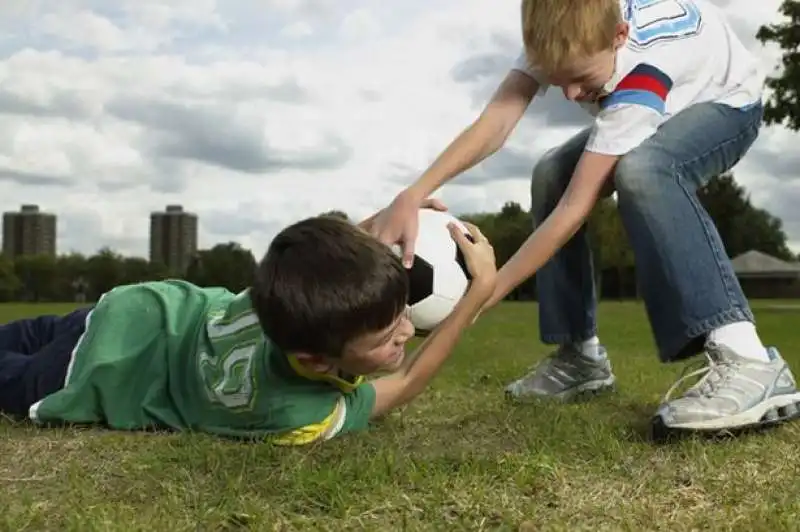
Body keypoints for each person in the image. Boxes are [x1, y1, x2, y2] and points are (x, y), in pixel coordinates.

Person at [369, 0, 800, 436]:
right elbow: (496, 122)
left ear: (618, 37)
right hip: (667, 95)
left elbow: (573, 211)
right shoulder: (562, 34)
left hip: (727, 103)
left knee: (645, 173)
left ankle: (751, 361)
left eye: (581, 79)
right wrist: (414, 193)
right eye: (558, 81)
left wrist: (485, 293)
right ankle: (581, 358)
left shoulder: (643, 66)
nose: (572, 96)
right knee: (551, 172)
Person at [0, 212, 496, 445]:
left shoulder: (286, 296)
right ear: (316, 362)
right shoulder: (300, 412)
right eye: (388, 337)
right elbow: (407, 383)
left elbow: (330, 253)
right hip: (90, 371)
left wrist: (405, 221)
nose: (407, 333)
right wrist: (477, 291)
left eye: (404, 315)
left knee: (21, 333)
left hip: (133, 310)